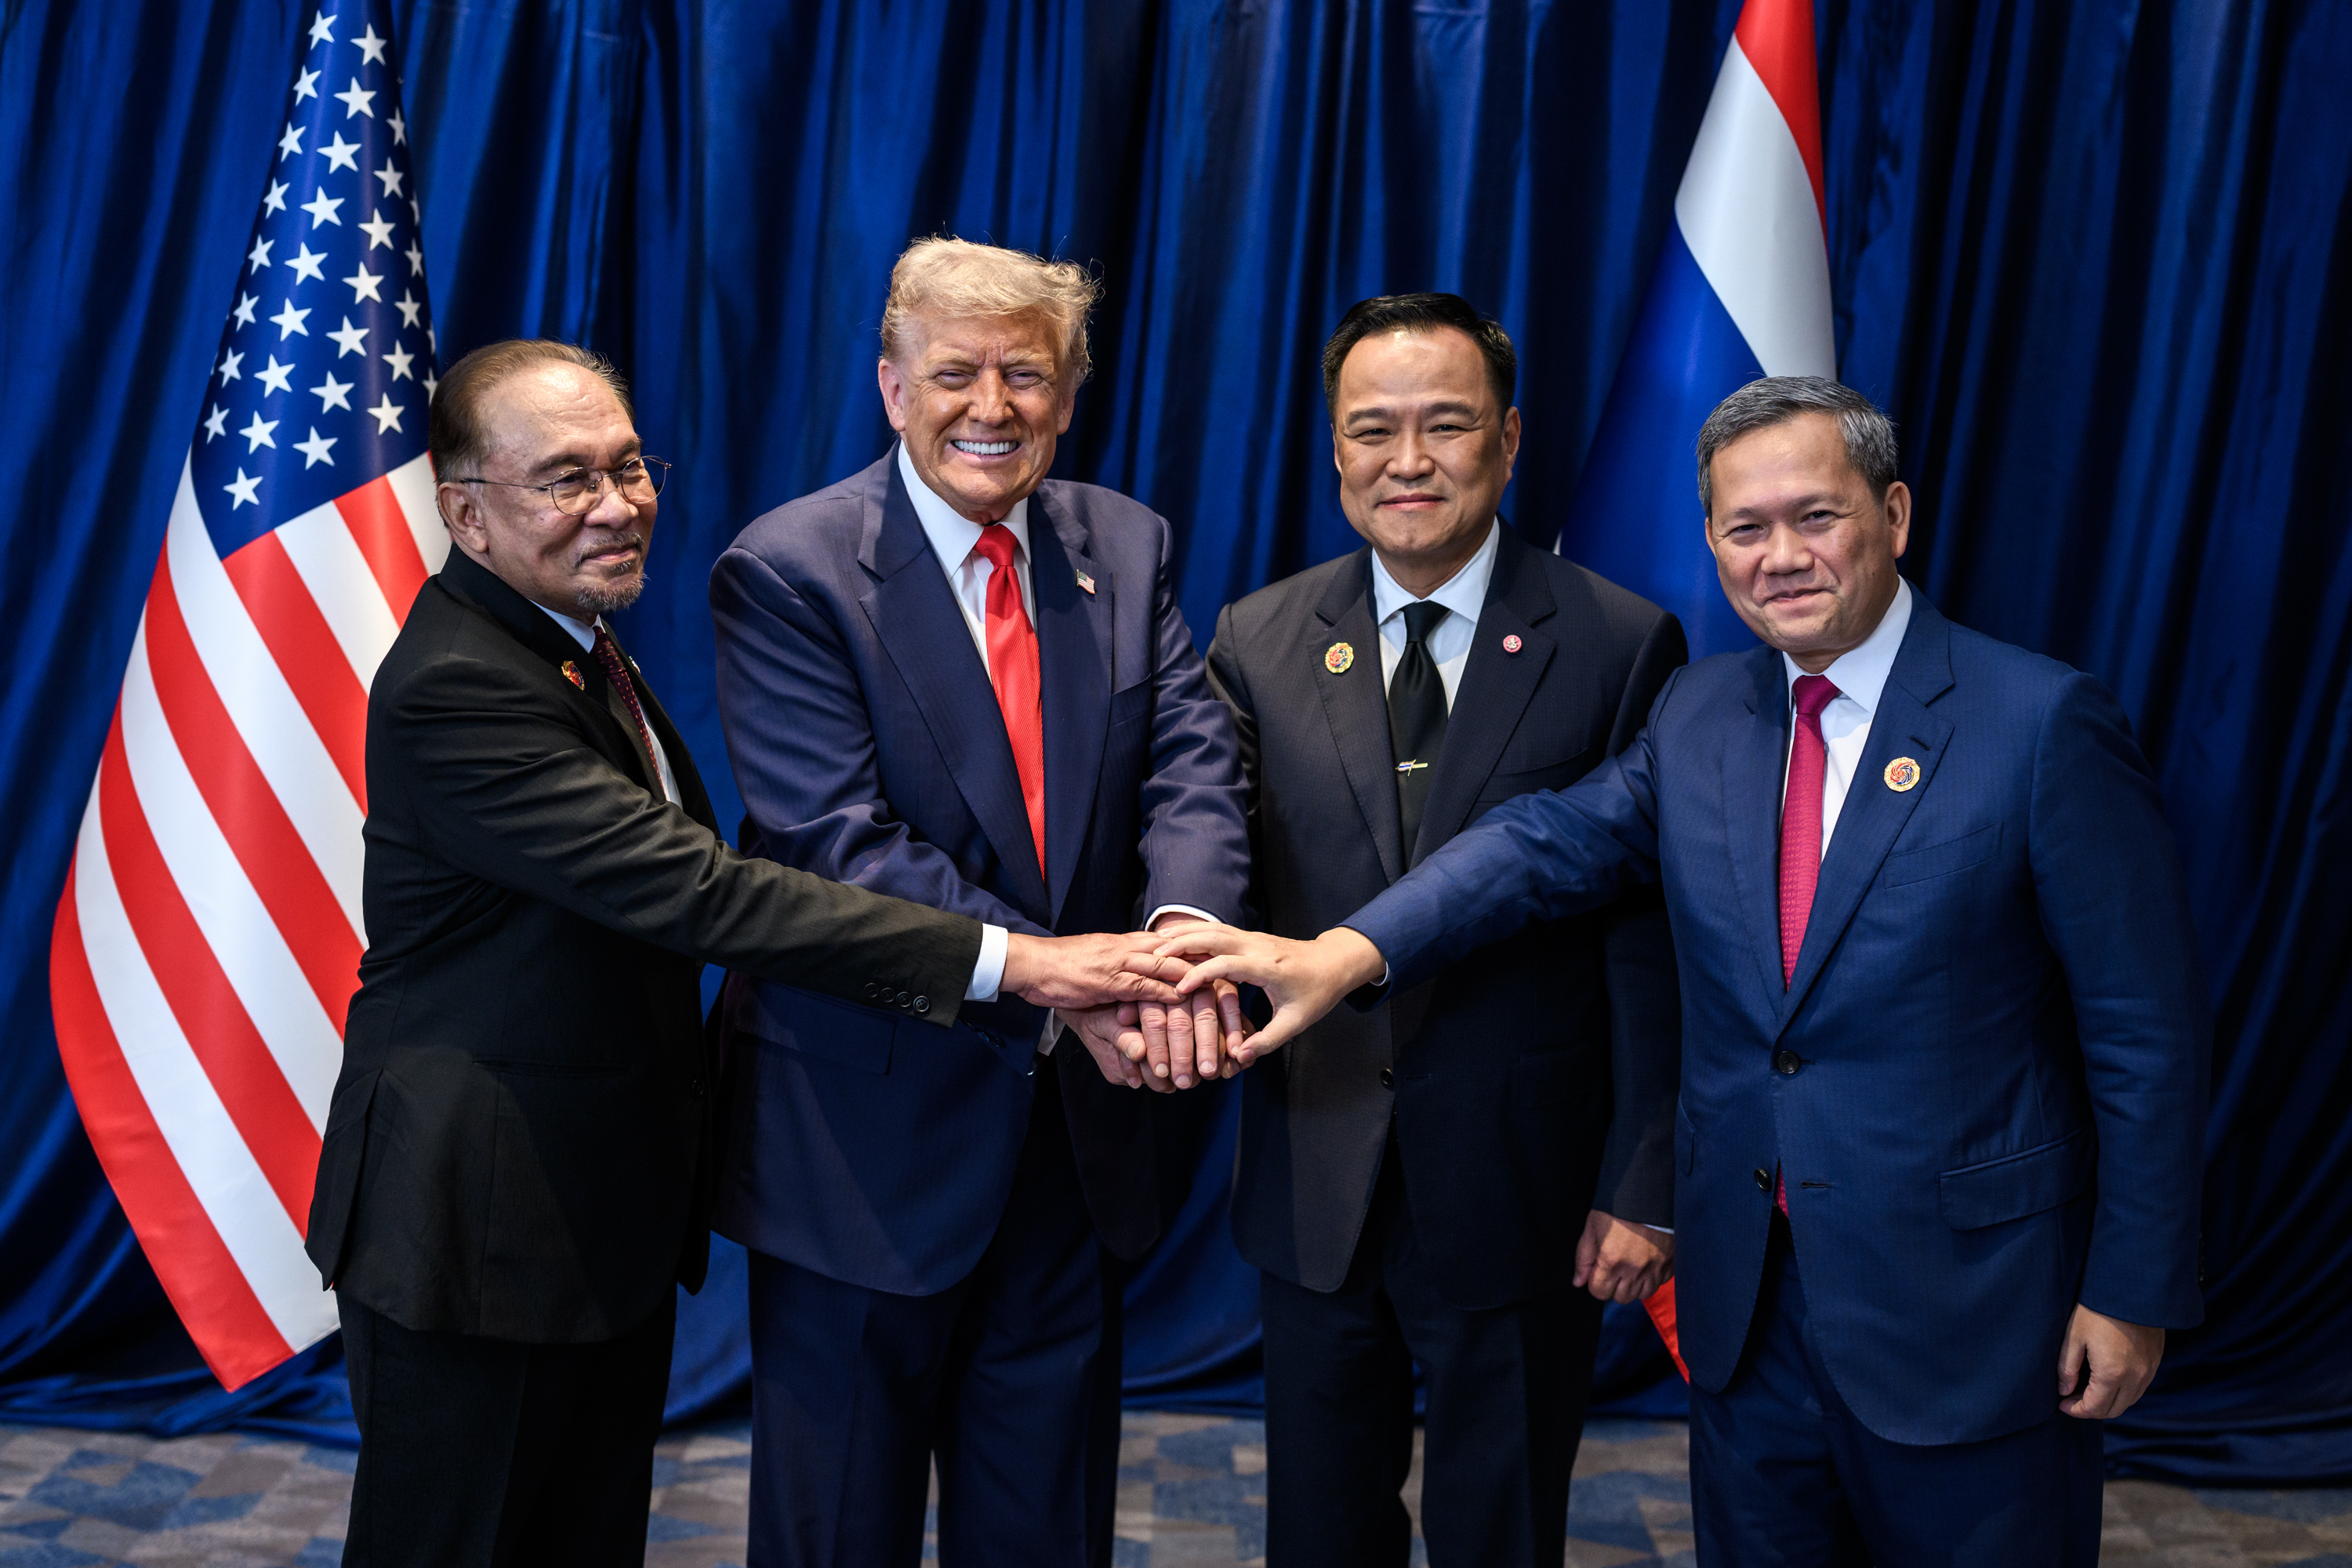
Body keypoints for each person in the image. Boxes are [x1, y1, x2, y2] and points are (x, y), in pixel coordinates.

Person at [1159, 376, 2209, 1566]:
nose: (1782, 557)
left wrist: (2134, 1289)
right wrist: (1351, 953)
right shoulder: (1704, 712)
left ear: (1896, 514)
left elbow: (2146, 1035)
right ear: (1709, 541)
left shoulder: (2041, 722)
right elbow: (1539, 845)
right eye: (1745, 528)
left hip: (1968, 1312)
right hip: (1746, 1315)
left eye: (1817, 516)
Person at [307, 339, 1176, 1568]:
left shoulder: (570, 645)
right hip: (478, 1228)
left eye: (628, 466)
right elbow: (707, 897)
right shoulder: (462, 685)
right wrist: (1025, 967)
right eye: (565, 480)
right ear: (468, 513)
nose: (615, 506)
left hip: (593, 1225)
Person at [706, 239, 1252, 1567]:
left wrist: (1178, 947)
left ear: (1069, 397)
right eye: (954, 373)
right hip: (862, 1145)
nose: (990, 406)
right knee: (838, 1533)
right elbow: (840, 845)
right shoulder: (789, 569)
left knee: (1047, 1531)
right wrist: (1072, 978)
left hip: (1073, 1144)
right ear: (892, 389)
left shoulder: (1126, 543)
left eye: (1027, 374)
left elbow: (1195, 766)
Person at [1200, 292, 1686, 1568]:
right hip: (1319, 1170)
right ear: (1336, 447)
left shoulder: (1622, 641)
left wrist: (1643, 1182)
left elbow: (1652, 944)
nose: (1406, 461)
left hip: (1523, 1183)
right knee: (1320, 1530)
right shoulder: (1258, 636)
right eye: (1372, 430)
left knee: (1501, 1530)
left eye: (1445, 425)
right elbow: (1213, 854)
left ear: (1511, 440)